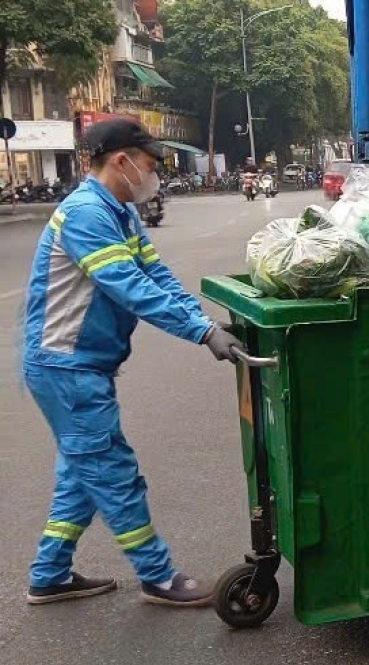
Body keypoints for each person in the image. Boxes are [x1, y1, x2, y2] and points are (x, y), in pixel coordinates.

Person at [21, 117, 244, 607]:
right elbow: (129, 286)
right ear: (121, 161)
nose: (153, 175)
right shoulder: (86, 215)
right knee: (112, 470)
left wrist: (205, 323)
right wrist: (200, 332)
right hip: (66, 367)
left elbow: (156, 275)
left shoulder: (119, 212)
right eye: (149, 165)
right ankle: (158, 576)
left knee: (82, 473)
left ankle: (49, 574)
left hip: (80, 365)